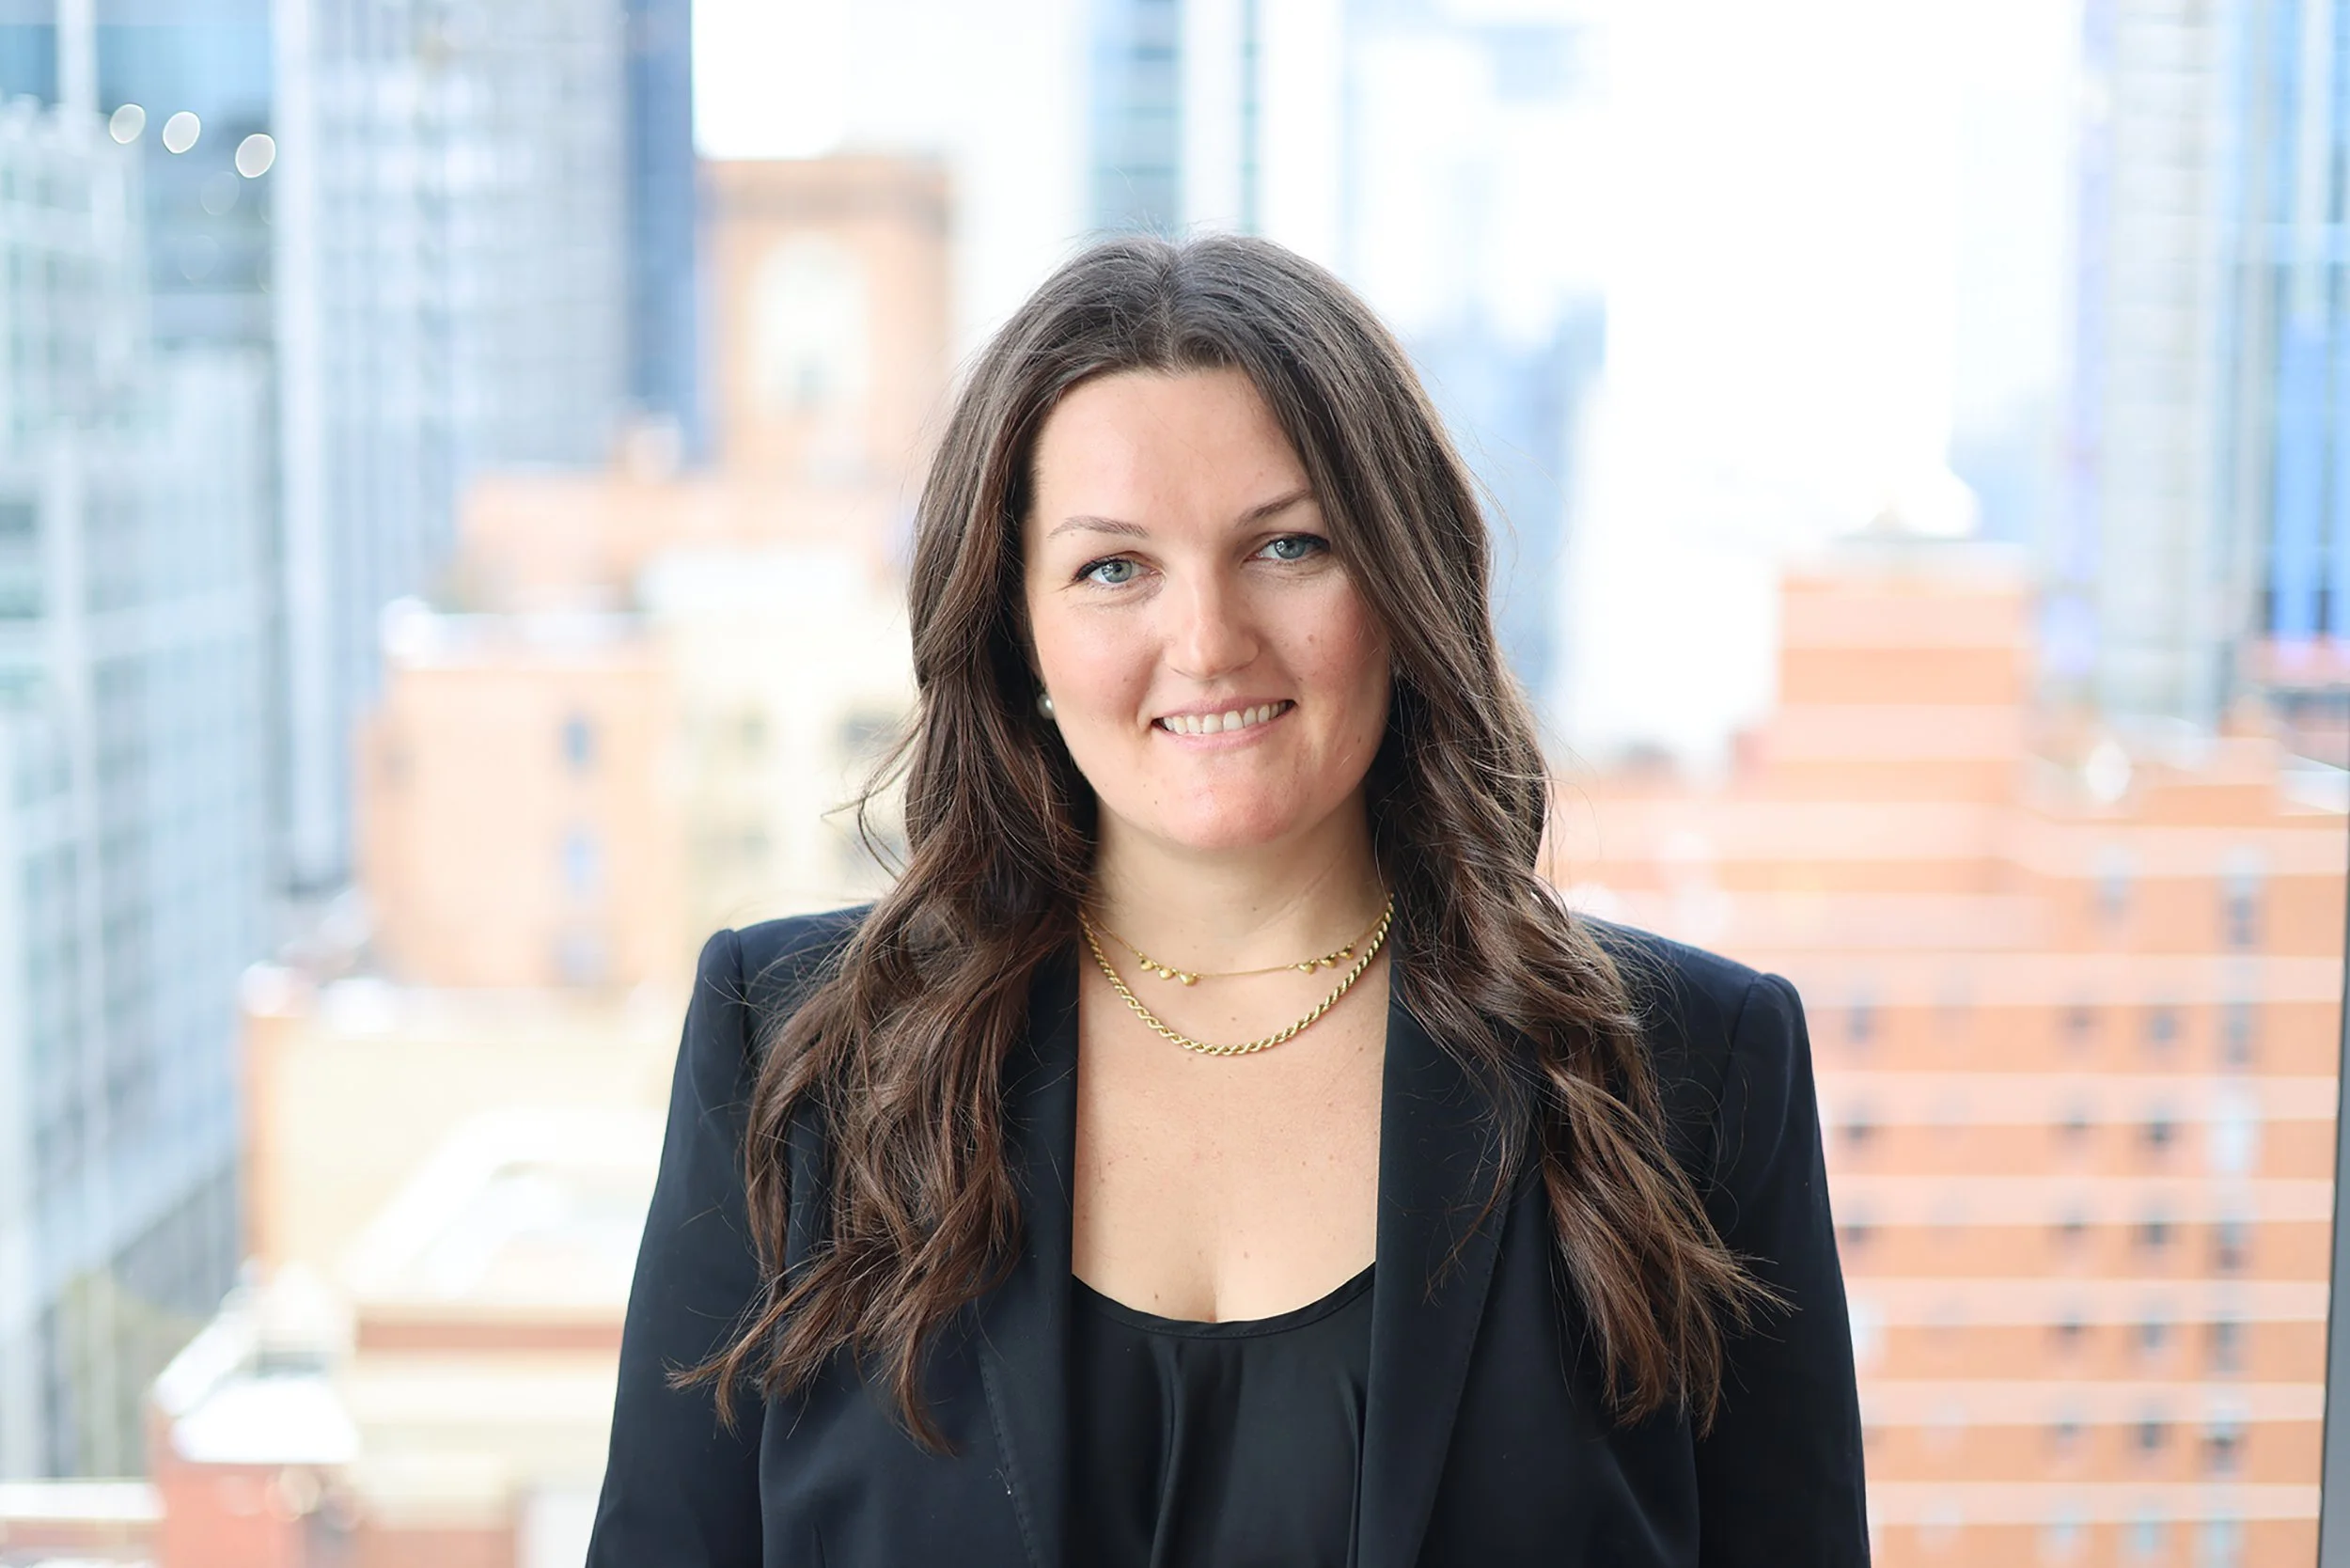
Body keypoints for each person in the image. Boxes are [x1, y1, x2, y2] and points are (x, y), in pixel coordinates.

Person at [586, 234, 1868, 1568]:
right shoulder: (795, 1053)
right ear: (1015, 627)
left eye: (1288, 546)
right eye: (1113, 568)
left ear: (1402, 584)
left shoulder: (1694, 1069)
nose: (1207, 642)